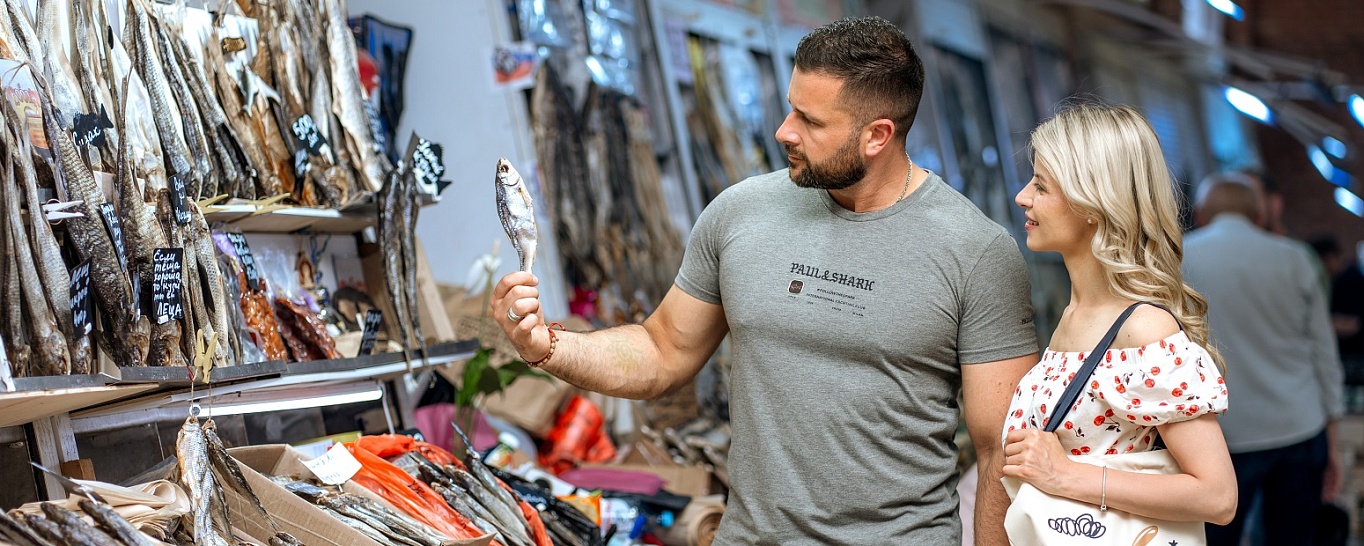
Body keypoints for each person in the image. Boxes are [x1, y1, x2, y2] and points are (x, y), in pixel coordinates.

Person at [493, 16, 1039, 545]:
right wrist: (548, 347)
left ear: (877, 135)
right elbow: (662, 350)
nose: (784, 132)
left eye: (810, 121)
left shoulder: (976, 252)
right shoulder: (741, 213)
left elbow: (1001, 450)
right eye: (789, 107)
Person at [1001, 103, 1238, 535]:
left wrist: (1067, 476)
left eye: (1041, 185)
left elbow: (1218, 496)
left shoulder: (1142, 327)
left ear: (1092, 203)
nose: (1023, 197)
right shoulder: (1074, 315)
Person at [1182, 173, 1345, 545]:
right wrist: (1333, 439)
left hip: (1217, 435)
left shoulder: (1179, 257)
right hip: (1299, 424)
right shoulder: (1296, 258)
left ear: (1201, 214)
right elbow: (1324, 352)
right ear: (1258, 215)